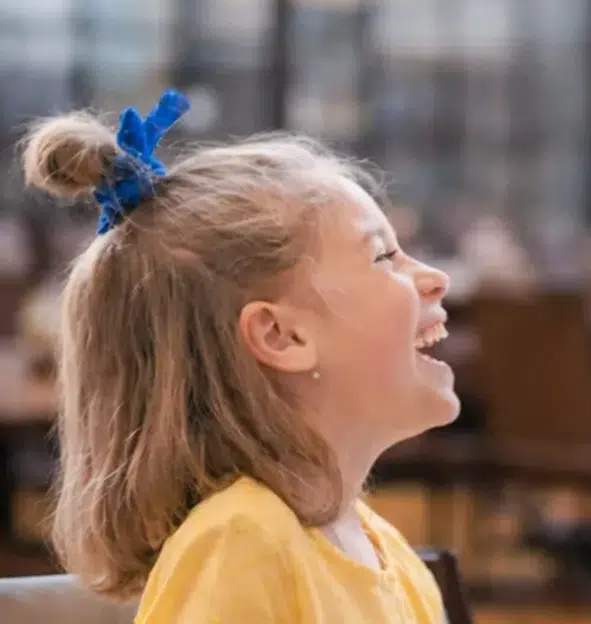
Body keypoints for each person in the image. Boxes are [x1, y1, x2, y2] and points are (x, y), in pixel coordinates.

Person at [20, 90, 458, 622]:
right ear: (280, 335)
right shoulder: (242, 543)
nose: (436, 278)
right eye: (384, 255)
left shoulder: (382, 546)